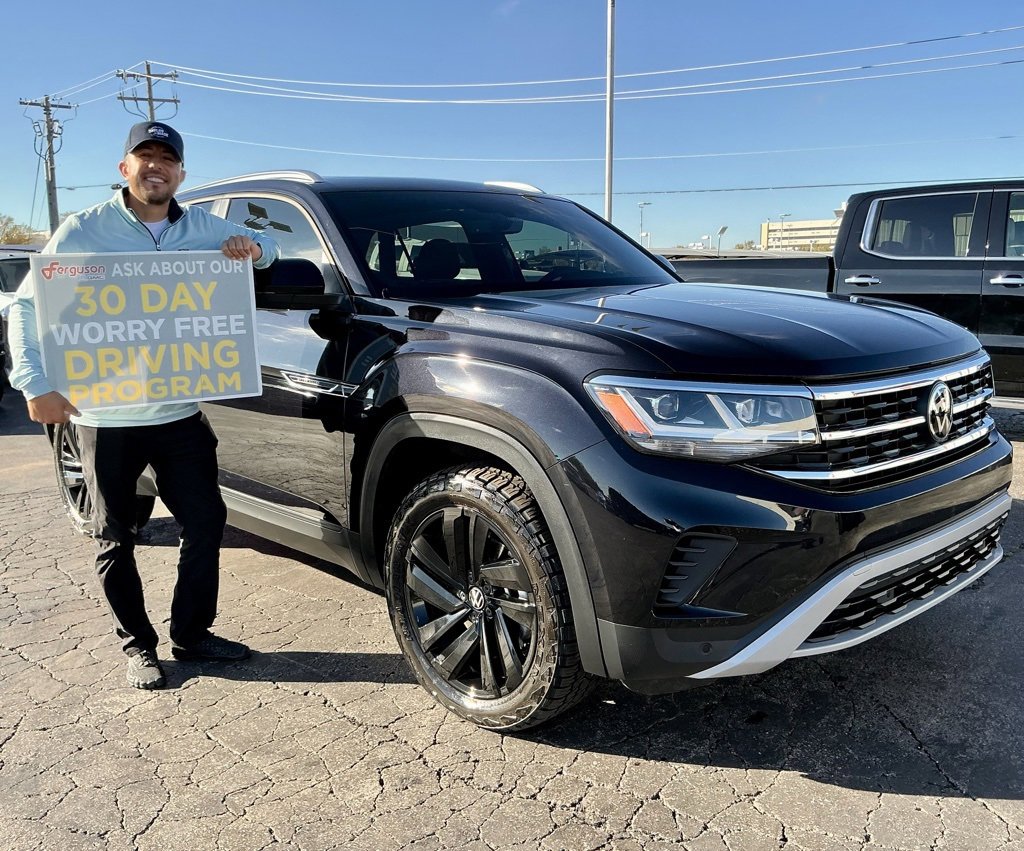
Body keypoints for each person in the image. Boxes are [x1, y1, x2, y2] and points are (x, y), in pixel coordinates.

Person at [8, 121, 281, 690]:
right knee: (115, 537)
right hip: (105, 419)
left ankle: (192, 633)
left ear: (180, 172)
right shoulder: (84, 229)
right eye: (145, 155)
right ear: (124, 168)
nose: (156, 165)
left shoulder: (202, 226)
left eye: (167, 158)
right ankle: (138, 645)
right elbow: (30, 308)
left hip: (179, 416)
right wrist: (34, 383)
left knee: (206, 521)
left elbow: (270, 251)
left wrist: (254, 248)